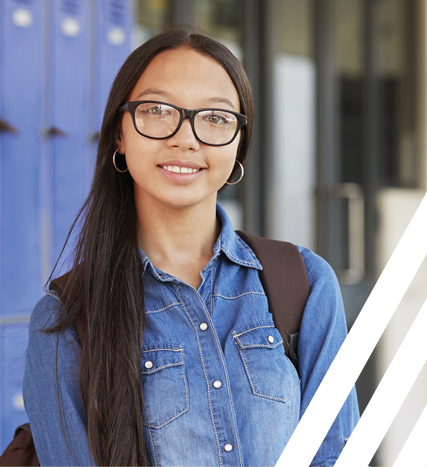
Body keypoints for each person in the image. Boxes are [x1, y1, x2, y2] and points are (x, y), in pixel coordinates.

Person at [23, 25, 359, 466]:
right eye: (158, 110)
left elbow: (336, 453)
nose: (186, 138)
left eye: (216, 118)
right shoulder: (65, 319)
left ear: (238, 144)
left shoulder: (303, 283)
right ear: (120, 135)